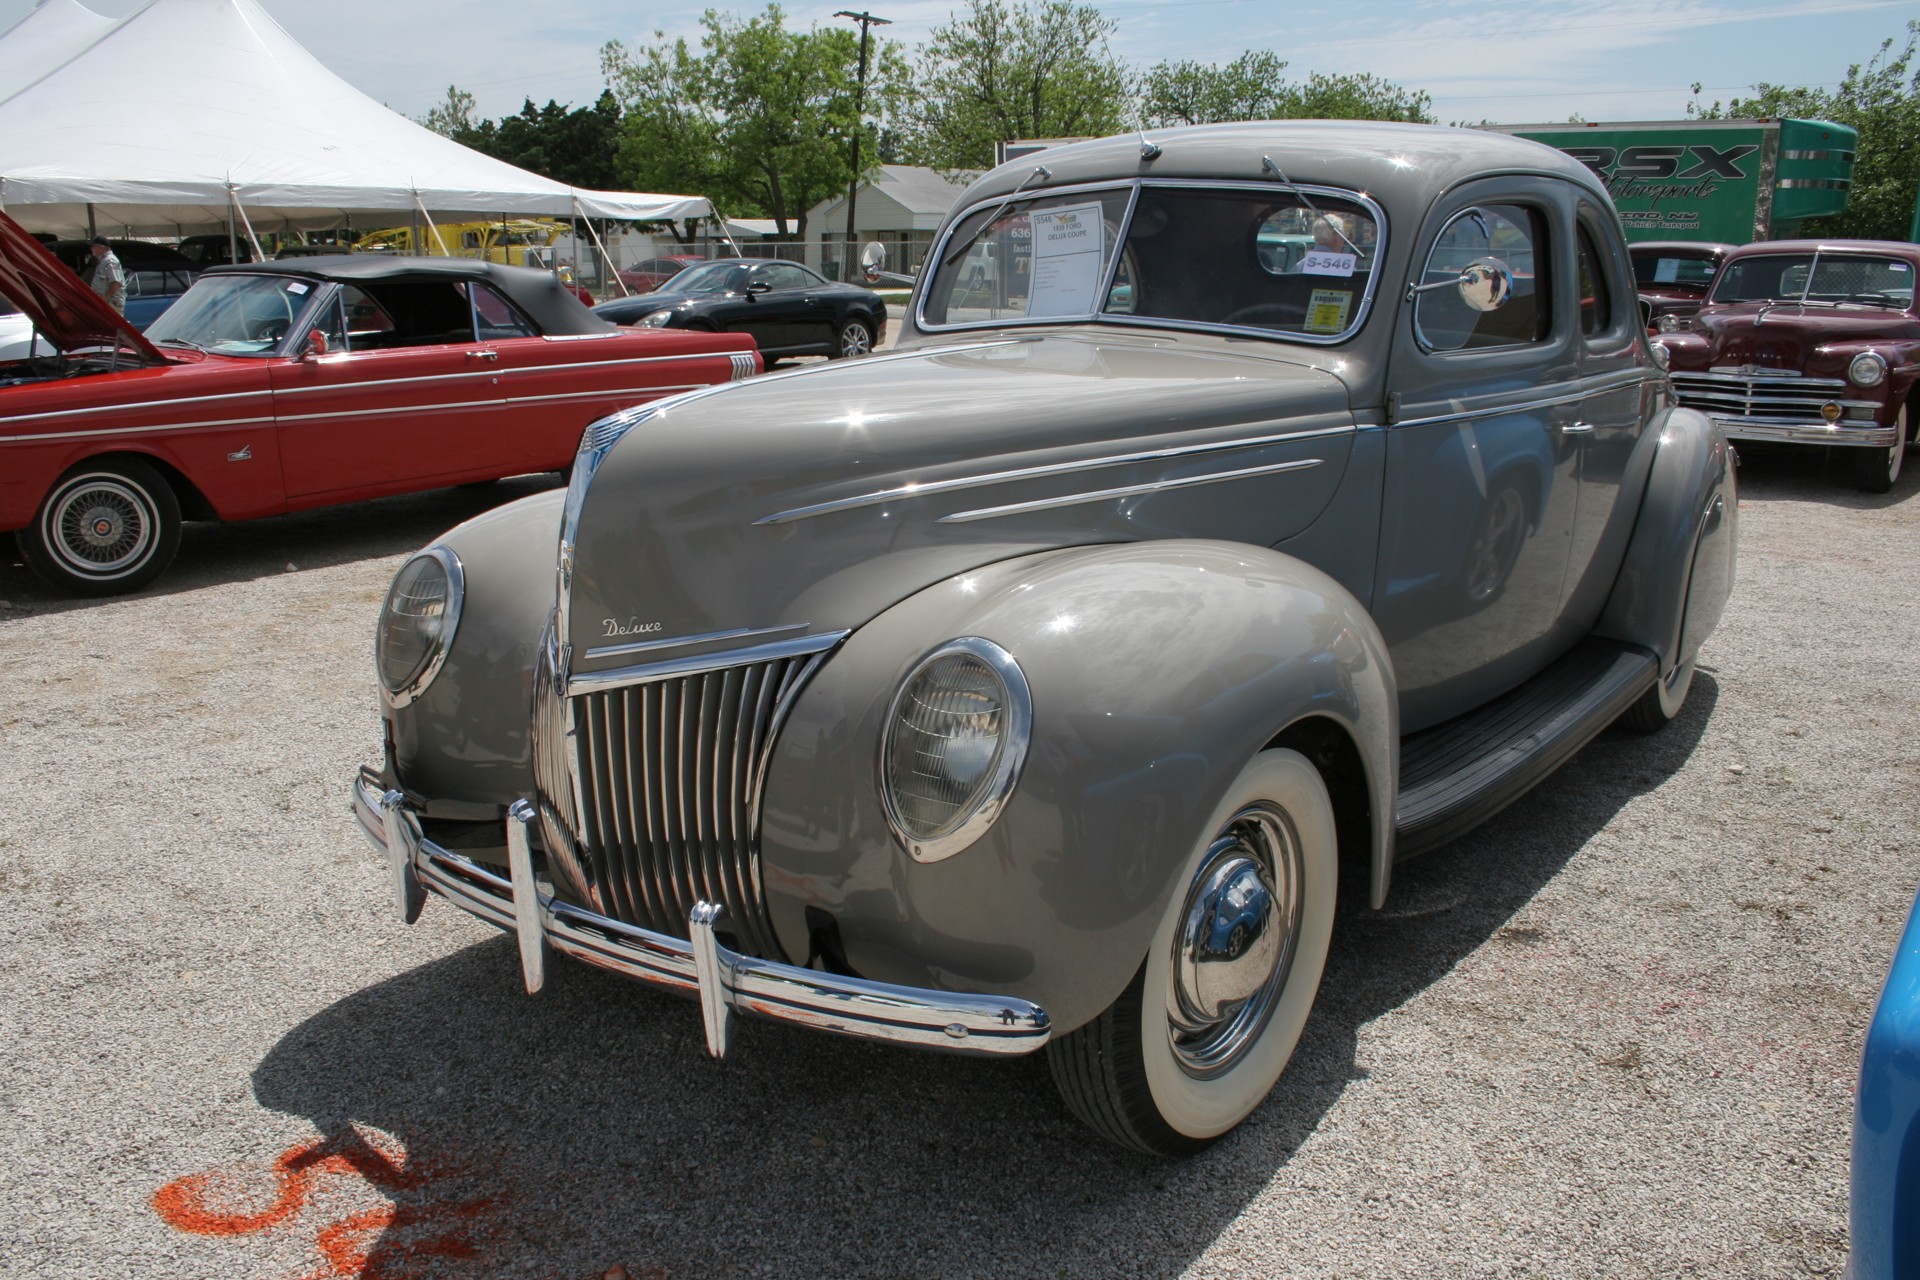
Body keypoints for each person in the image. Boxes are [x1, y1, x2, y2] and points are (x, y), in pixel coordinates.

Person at [87, 236, 126, 314]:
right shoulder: (103, 261)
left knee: (112, 325)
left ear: (102, 247)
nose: (92, 249)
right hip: (105, 303)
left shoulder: (110, 261)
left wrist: (105, 300)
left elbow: (116, 283)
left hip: (111, 304)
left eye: (93, 246)